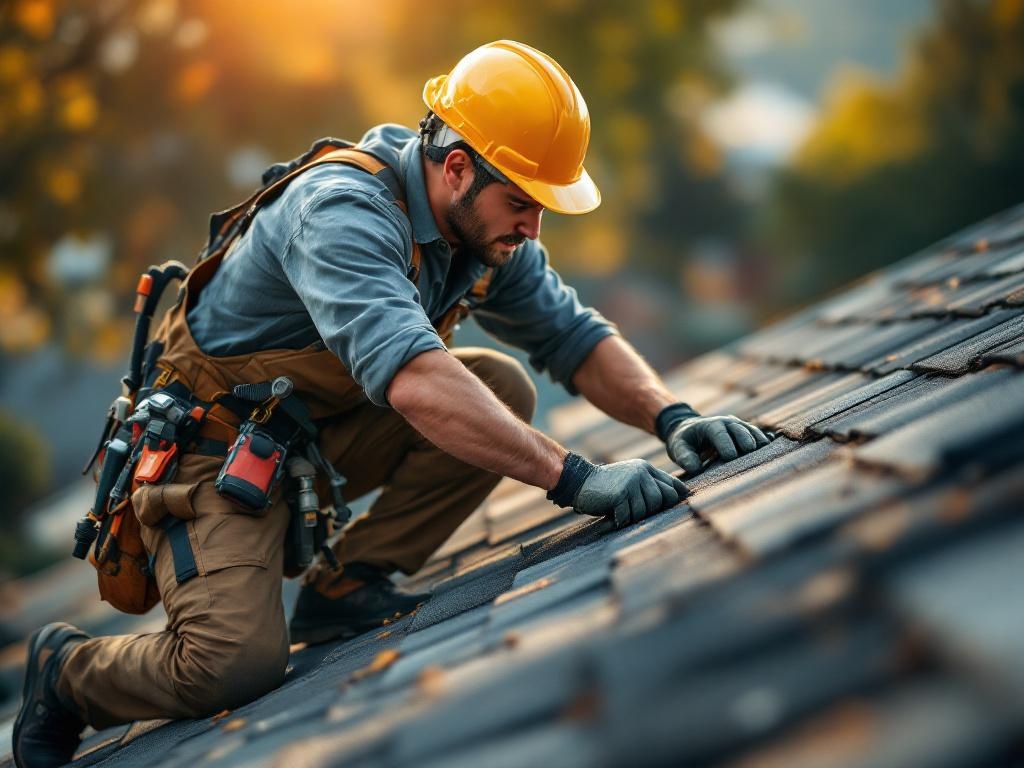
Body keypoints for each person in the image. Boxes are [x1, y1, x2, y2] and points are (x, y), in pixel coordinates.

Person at [13, 40, 769, 767]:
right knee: (230, 667)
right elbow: (413, 379)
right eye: (520, 202)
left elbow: (570, 336)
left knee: (501, 388)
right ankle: (68, 672)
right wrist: (575, 478)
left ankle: (345, 585)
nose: (533, 227)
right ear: (456, 167)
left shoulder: (486, 232)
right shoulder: (341, 212)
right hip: (211, 458)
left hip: (308, 438)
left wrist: (673, 417)